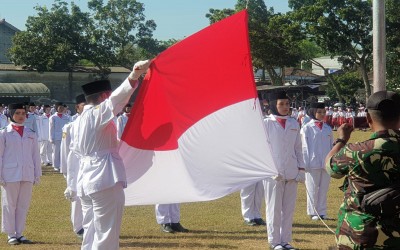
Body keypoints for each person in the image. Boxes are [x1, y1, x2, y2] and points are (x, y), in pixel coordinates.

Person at [65, 60, 150, 250]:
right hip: (103, 177)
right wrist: (134, 75)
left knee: (91, 231)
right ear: (104, 96)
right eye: (108, 95)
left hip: (86, 179)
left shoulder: (78, 121)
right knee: (107, 233)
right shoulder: (96, 114)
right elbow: (118, 99)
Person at [325, 90, 400, 249]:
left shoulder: (355, 151)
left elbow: (330, 168)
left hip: (360, 236)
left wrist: (341, 140)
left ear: (367, 118)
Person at [263, 91, 305, 250]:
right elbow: (262, 148)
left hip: (292, 171)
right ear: (274, 105)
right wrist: (269, 168)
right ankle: (274, 242)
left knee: (288, 208)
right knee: (273, 208)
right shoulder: (266, 123)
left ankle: (285, 240)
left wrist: (301, 169)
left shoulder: (294, 123)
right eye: (282, 104)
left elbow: (299, 149)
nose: (285, 107)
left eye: (287, 104)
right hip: (273, 173)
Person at [0, 103, 41, 245]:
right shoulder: (4, 133)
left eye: (23, 113)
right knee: (9, 204)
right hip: (10, 173)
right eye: (17, 113)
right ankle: (11, 234)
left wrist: (37, 173)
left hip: (27, 173)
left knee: (23, 204)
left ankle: (20, 233)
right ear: (11, 114)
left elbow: (36, 155)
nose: (21, 116)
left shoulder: (31, 133)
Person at [300, 102, 333, 220]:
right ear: (313, 112)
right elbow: (304, 147)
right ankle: (313, 212)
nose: (322, 114)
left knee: (323, 188)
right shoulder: (307, 128)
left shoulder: (328, 128)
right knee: (312, 188)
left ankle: (322, 211)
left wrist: (330, 161)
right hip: (312, 163)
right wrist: (305, 163)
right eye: (319, 112)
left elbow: (331, 147)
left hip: (325, 162)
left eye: (324, 112)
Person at [61, 94, 86, 239]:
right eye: (84, 104)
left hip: (90, 163)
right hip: (75, 164)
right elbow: (65, 150)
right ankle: (78, 227)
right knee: (76, 195)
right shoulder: (69, 126)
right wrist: (65, 171)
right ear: (77, 107)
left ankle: (90, 224)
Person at [49, 102, 70, 171]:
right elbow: (51, 128)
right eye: (60, 108)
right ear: (56, 108)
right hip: (56, 137)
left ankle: (62, 165)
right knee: (56, 151)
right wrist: (51, 138)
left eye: (62, 108)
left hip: (64, 137)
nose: (61, 109)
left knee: (63, 151)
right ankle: (56, 165)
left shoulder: (66, 117)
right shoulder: (53, 117)